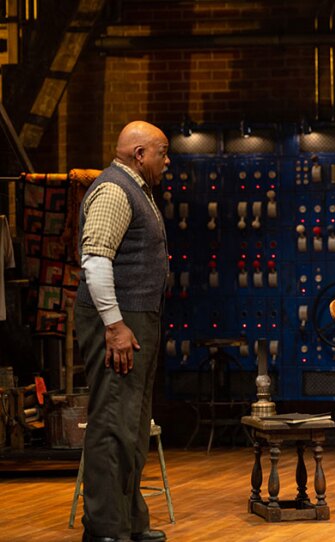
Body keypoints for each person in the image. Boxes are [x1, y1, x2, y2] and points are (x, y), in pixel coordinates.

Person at [75, 121, 170, 542]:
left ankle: (129, 521)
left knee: (132, 424)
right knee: (113, 421)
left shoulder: (138, 189)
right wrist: (114, 326)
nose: (168, 161)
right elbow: (95, 262)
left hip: (136, 319)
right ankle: (104, 526)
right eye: (162, 153)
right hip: (119, 322)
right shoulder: (115, 190)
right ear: (139, 154)